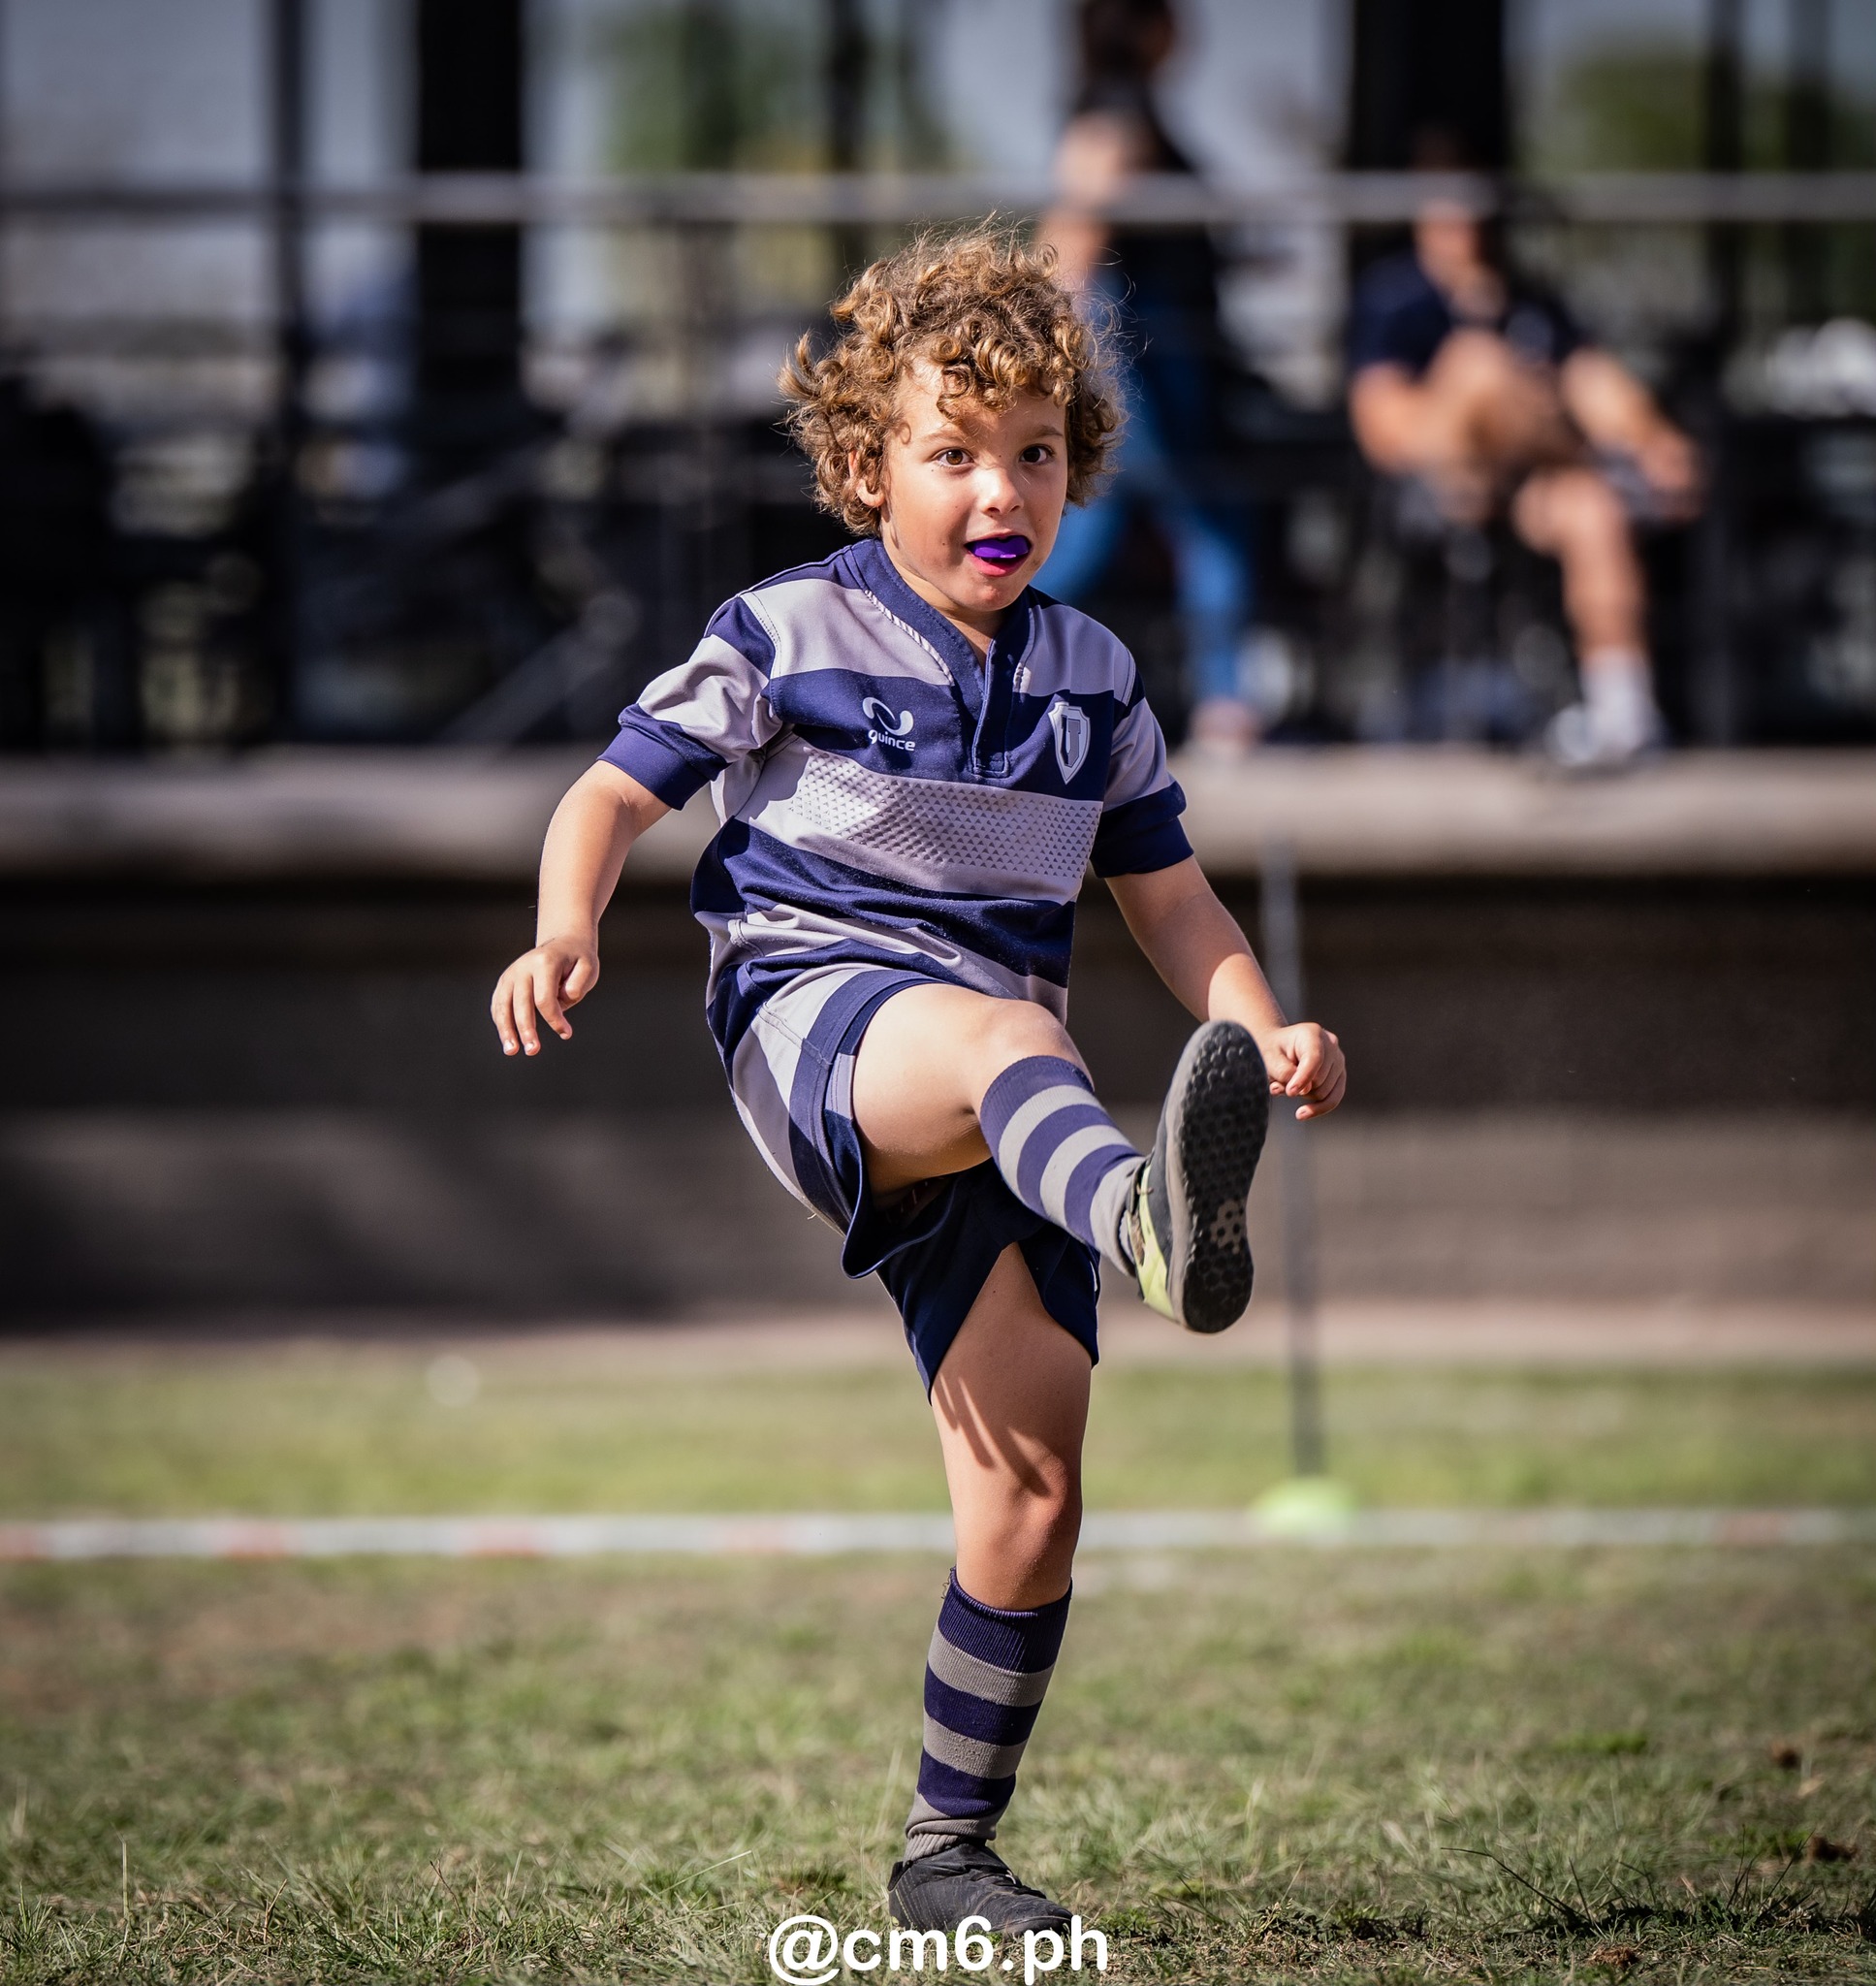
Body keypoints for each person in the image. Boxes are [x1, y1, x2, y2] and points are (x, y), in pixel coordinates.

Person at [489, 229, 1346, 1938]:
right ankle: (1145, 1215)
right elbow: (607, 792)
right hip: (814, 1019)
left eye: (1035, 451)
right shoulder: (783, 625)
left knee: (1032, 1494)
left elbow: (1167, 898)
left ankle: (946, 1856)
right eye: (953, 452)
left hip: (993, 1119)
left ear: (1074, 469)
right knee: (1012, 1040)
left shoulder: (1095, 681)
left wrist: (1256, 1020)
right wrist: (561, 927)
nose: (997, 487)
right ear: (867, 465)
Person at [1347, 189, 1701, 764]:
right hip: (1442, 477)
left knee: (1595, 507)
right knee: (1478, 365)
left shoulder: (1532, 302)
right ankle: (1576, 450)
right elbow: (1385, 430)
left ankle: (1623, 710)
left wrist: (1654, 441)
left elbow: (1592, 380)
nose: (1470, 231)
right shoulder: (1397, 300)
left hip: (1532, 481)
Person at [1038, 0, 1261, 756]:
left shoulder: (1126, 105)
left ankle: (964, 664)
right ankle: (1226, 701)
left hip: (1155, 353)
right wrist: (1048, 338)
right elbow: (1074, 229)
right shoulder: (1115, 111)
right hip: (1140, 360)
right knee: (1194, 523)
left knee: (1098, 525)